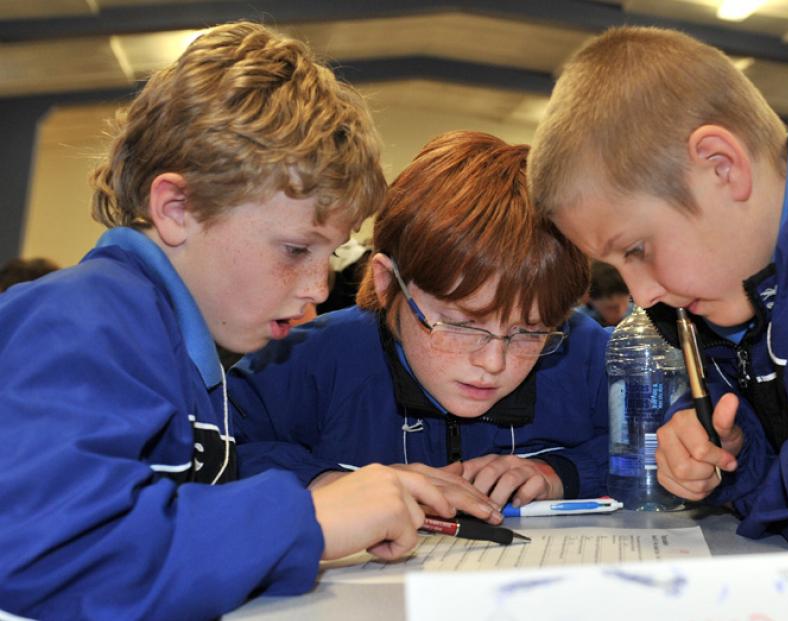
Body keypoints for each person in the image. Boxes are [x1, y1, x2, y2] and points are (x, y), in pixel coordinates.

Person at [0, 22, 471, 620]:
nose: (319, 286)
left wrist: (330, 491)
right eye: (297, 249)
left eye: (333, 255)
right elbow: (47, 556)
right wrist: (308, 521)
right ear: (177, 209)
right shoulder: (77, 324)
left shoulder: (184, 351)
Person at [527, 26, 788, 554]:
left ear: (721, 166)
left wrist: (752, 493)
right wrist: (729, 455)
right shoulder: (725, 290)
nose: (642, 295)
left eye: (636, 248)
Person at [229, 131, 610, 509]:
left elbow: (658, 441)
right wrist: (325, 483)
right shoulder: (301, 363)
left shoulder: (586, 353)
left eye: (529, 332)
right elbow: (220, 454)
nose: (493, 363)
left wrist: (563, 472)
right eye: (461, 325)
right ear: (386, 282)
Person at [577, 260, 632, 327]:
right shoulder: (579, 322)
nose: (620, 312)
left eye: (624, 305)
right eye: (611, 308)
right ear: (588, 299)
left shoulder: (639, 315)